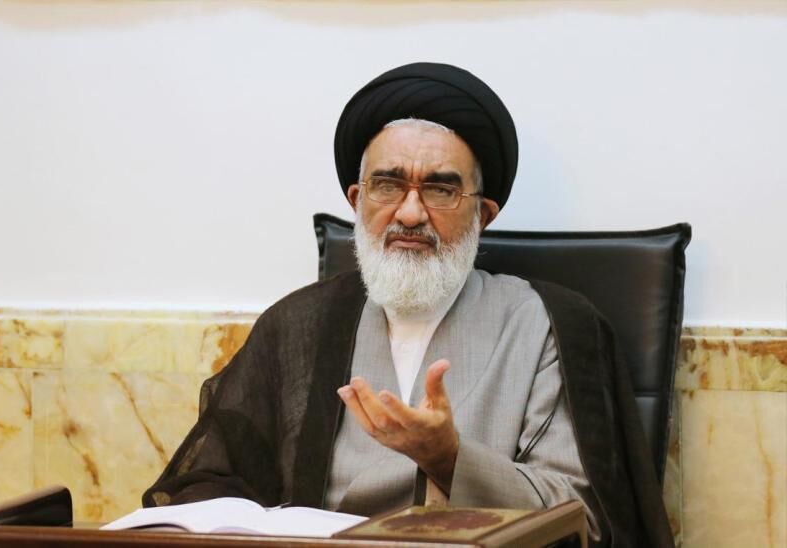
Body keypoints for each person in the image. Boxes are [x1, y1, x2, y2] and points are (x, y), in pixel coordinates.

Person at [143, 63, 673, 547]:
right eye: (388, 185)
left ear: (483, 215)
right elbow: (211, 480)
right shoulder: (299, 324)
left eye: (441, 190)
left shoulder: (548, 324)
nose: (411, 213)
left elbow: (584, 518)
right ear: (357, 201)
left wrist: (450, 458)